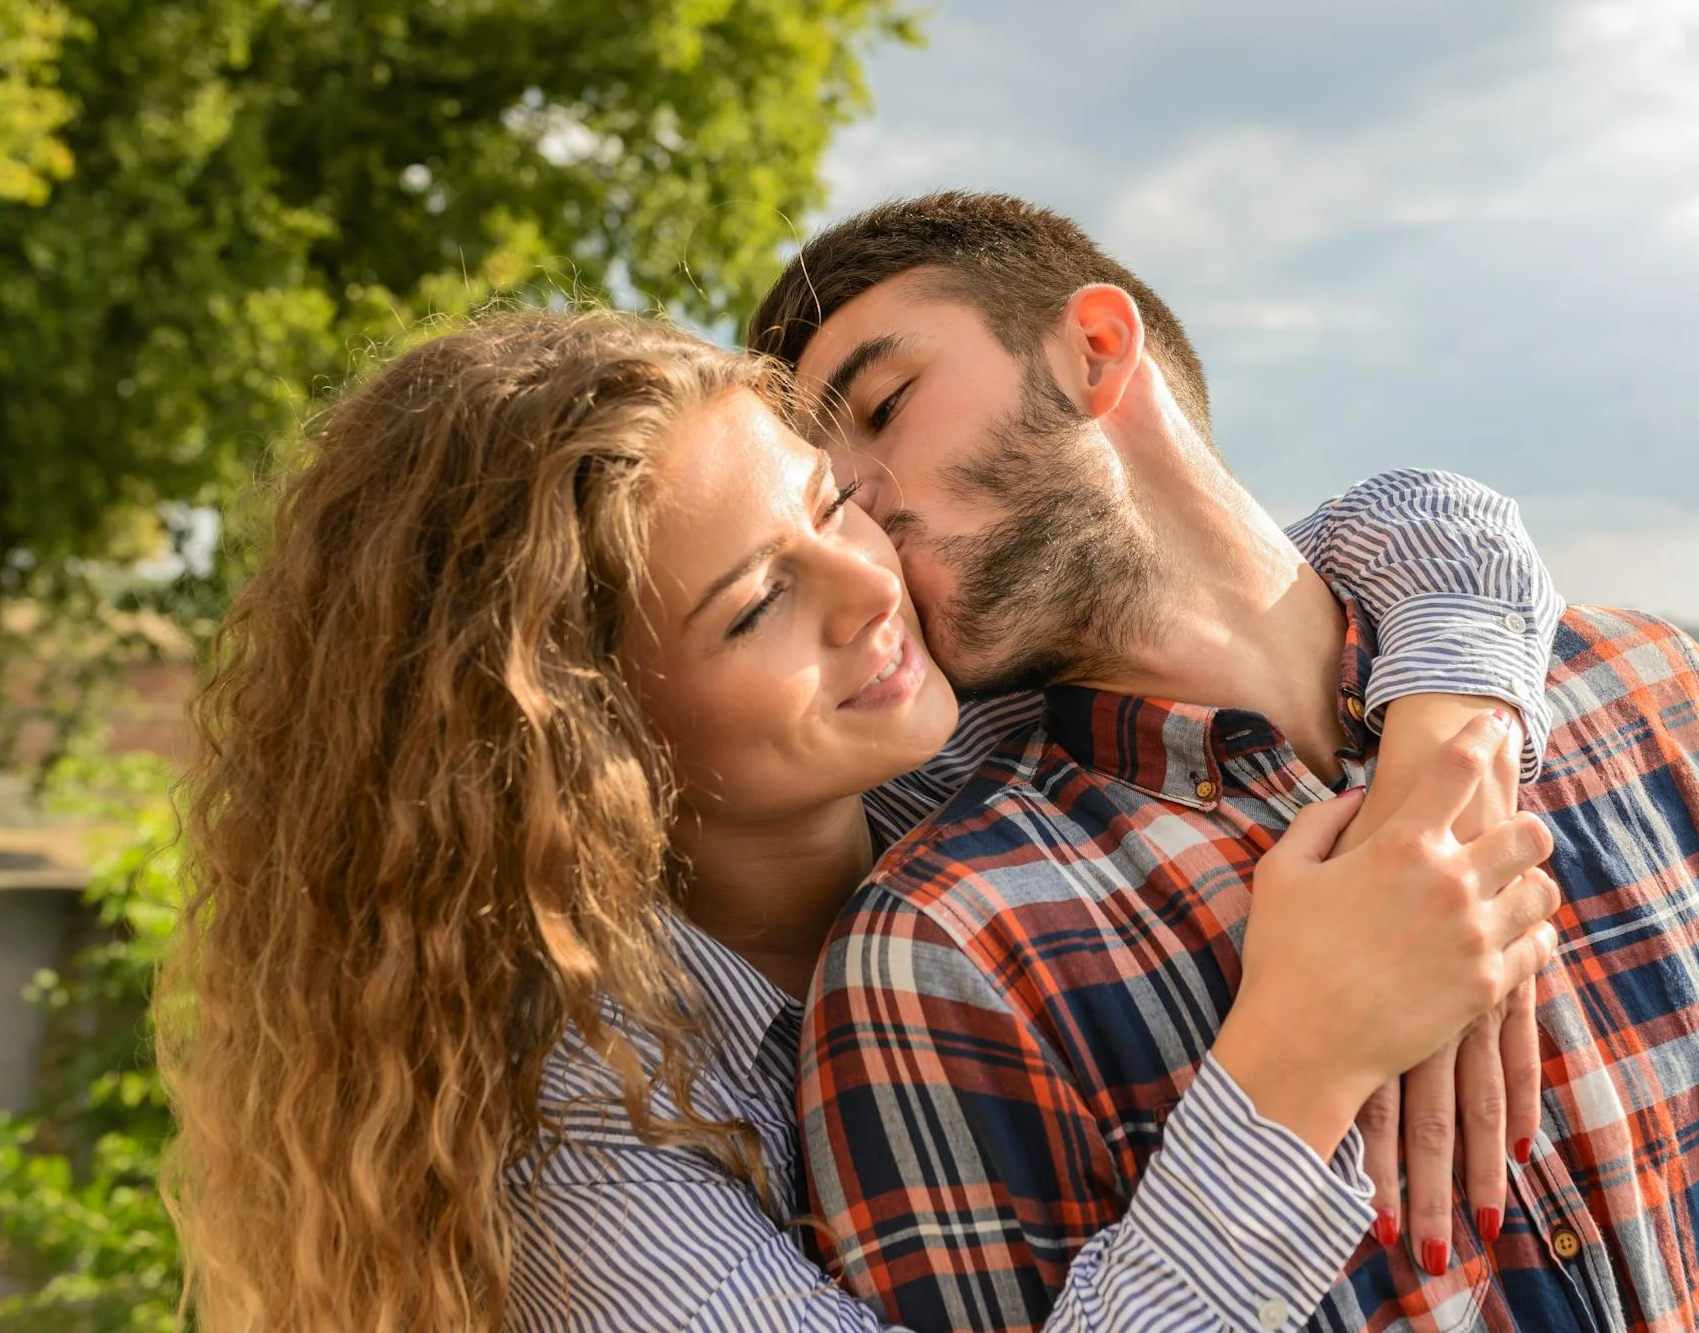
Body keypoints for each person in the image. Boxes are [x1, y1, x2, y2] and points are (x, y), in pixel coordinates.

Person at [160, 307, 1571, 1332]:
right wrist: (1295, 1063)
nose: (867, 587)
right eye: (759, 604)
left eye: (833, 502)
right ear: (582, 740)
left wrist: (1442, 766)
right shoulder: (581, 1148)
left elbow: (1404, 529)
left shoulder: (964, 745)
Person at [751, 192, 1699, 1332]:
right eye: (823, 495)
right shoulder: (940, 956)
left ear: (1096, 352)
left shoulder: (1648, 696)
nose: (860, 502)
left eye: (884, 404)